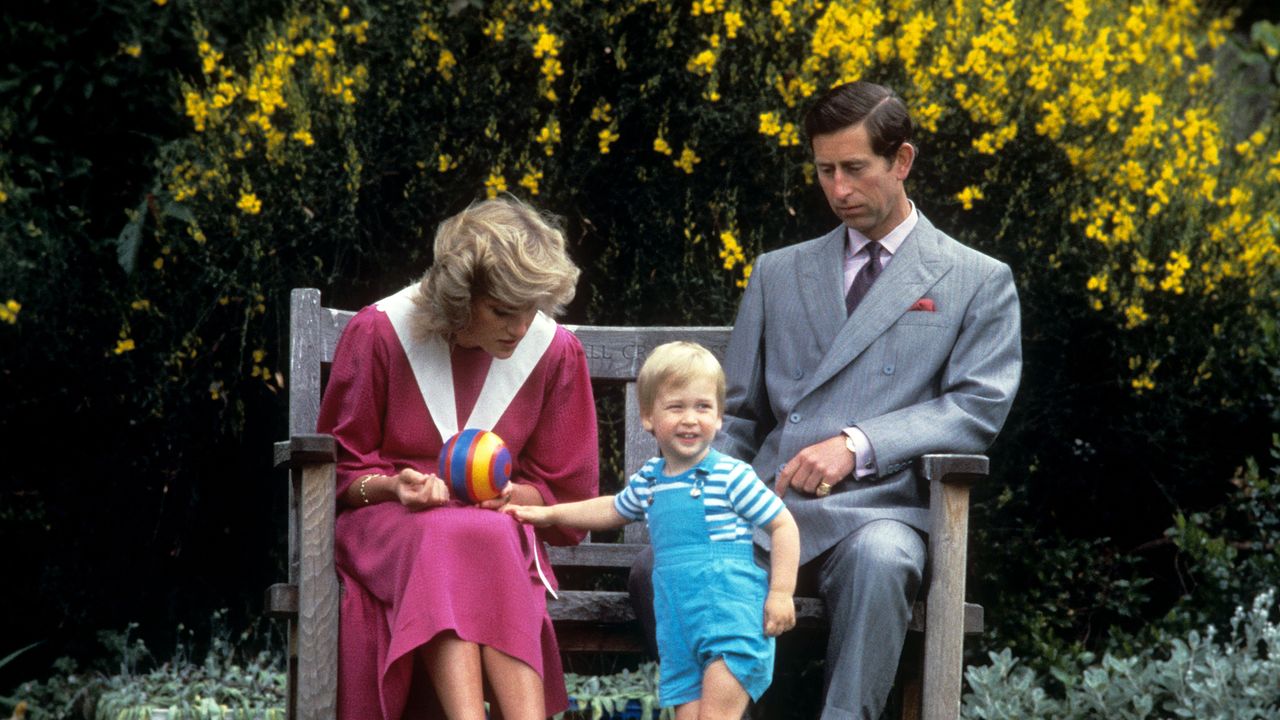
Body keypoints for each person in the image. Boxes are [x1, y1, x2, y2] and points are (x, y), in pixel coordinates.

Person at [630, 80, 1023, 719]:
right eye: (825, 171)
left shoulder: (976, 279)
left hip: (878, 511)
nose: (839, 190)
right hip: (764, 504)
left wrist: (857, 445)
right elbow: (739, 413)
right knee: (656, 567)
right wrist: (701, 487)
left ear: (902, 162)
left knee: (883, 561)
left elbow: (975, 407)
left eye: (855, 169)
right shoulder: (777, 272)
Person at [316, 196, 599, 720]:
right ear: (461, 295)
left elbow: (568, 497)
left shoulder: (553, 352)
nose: (520, 329)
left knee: (477, 532)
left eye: (531, 310)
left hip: (492, 529)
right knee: (450, 533)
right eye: (501, 310)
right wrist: (393, 486)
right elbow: (340, 473)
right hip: (388, 526)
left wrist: (513, 495)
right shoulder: (381, 331)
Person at [506, 342, 800, 720]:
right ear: (648, 417)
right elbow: (612, 509)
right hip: (680, 627)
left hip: (732, 621)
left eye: (703, 407)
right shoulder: (651, 480)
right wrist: (547, 514)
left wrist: (780, 592)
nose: (690, 419)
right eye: (676, 407)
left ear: (720, 418)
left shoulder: (731, 476)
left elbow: (783, 524)